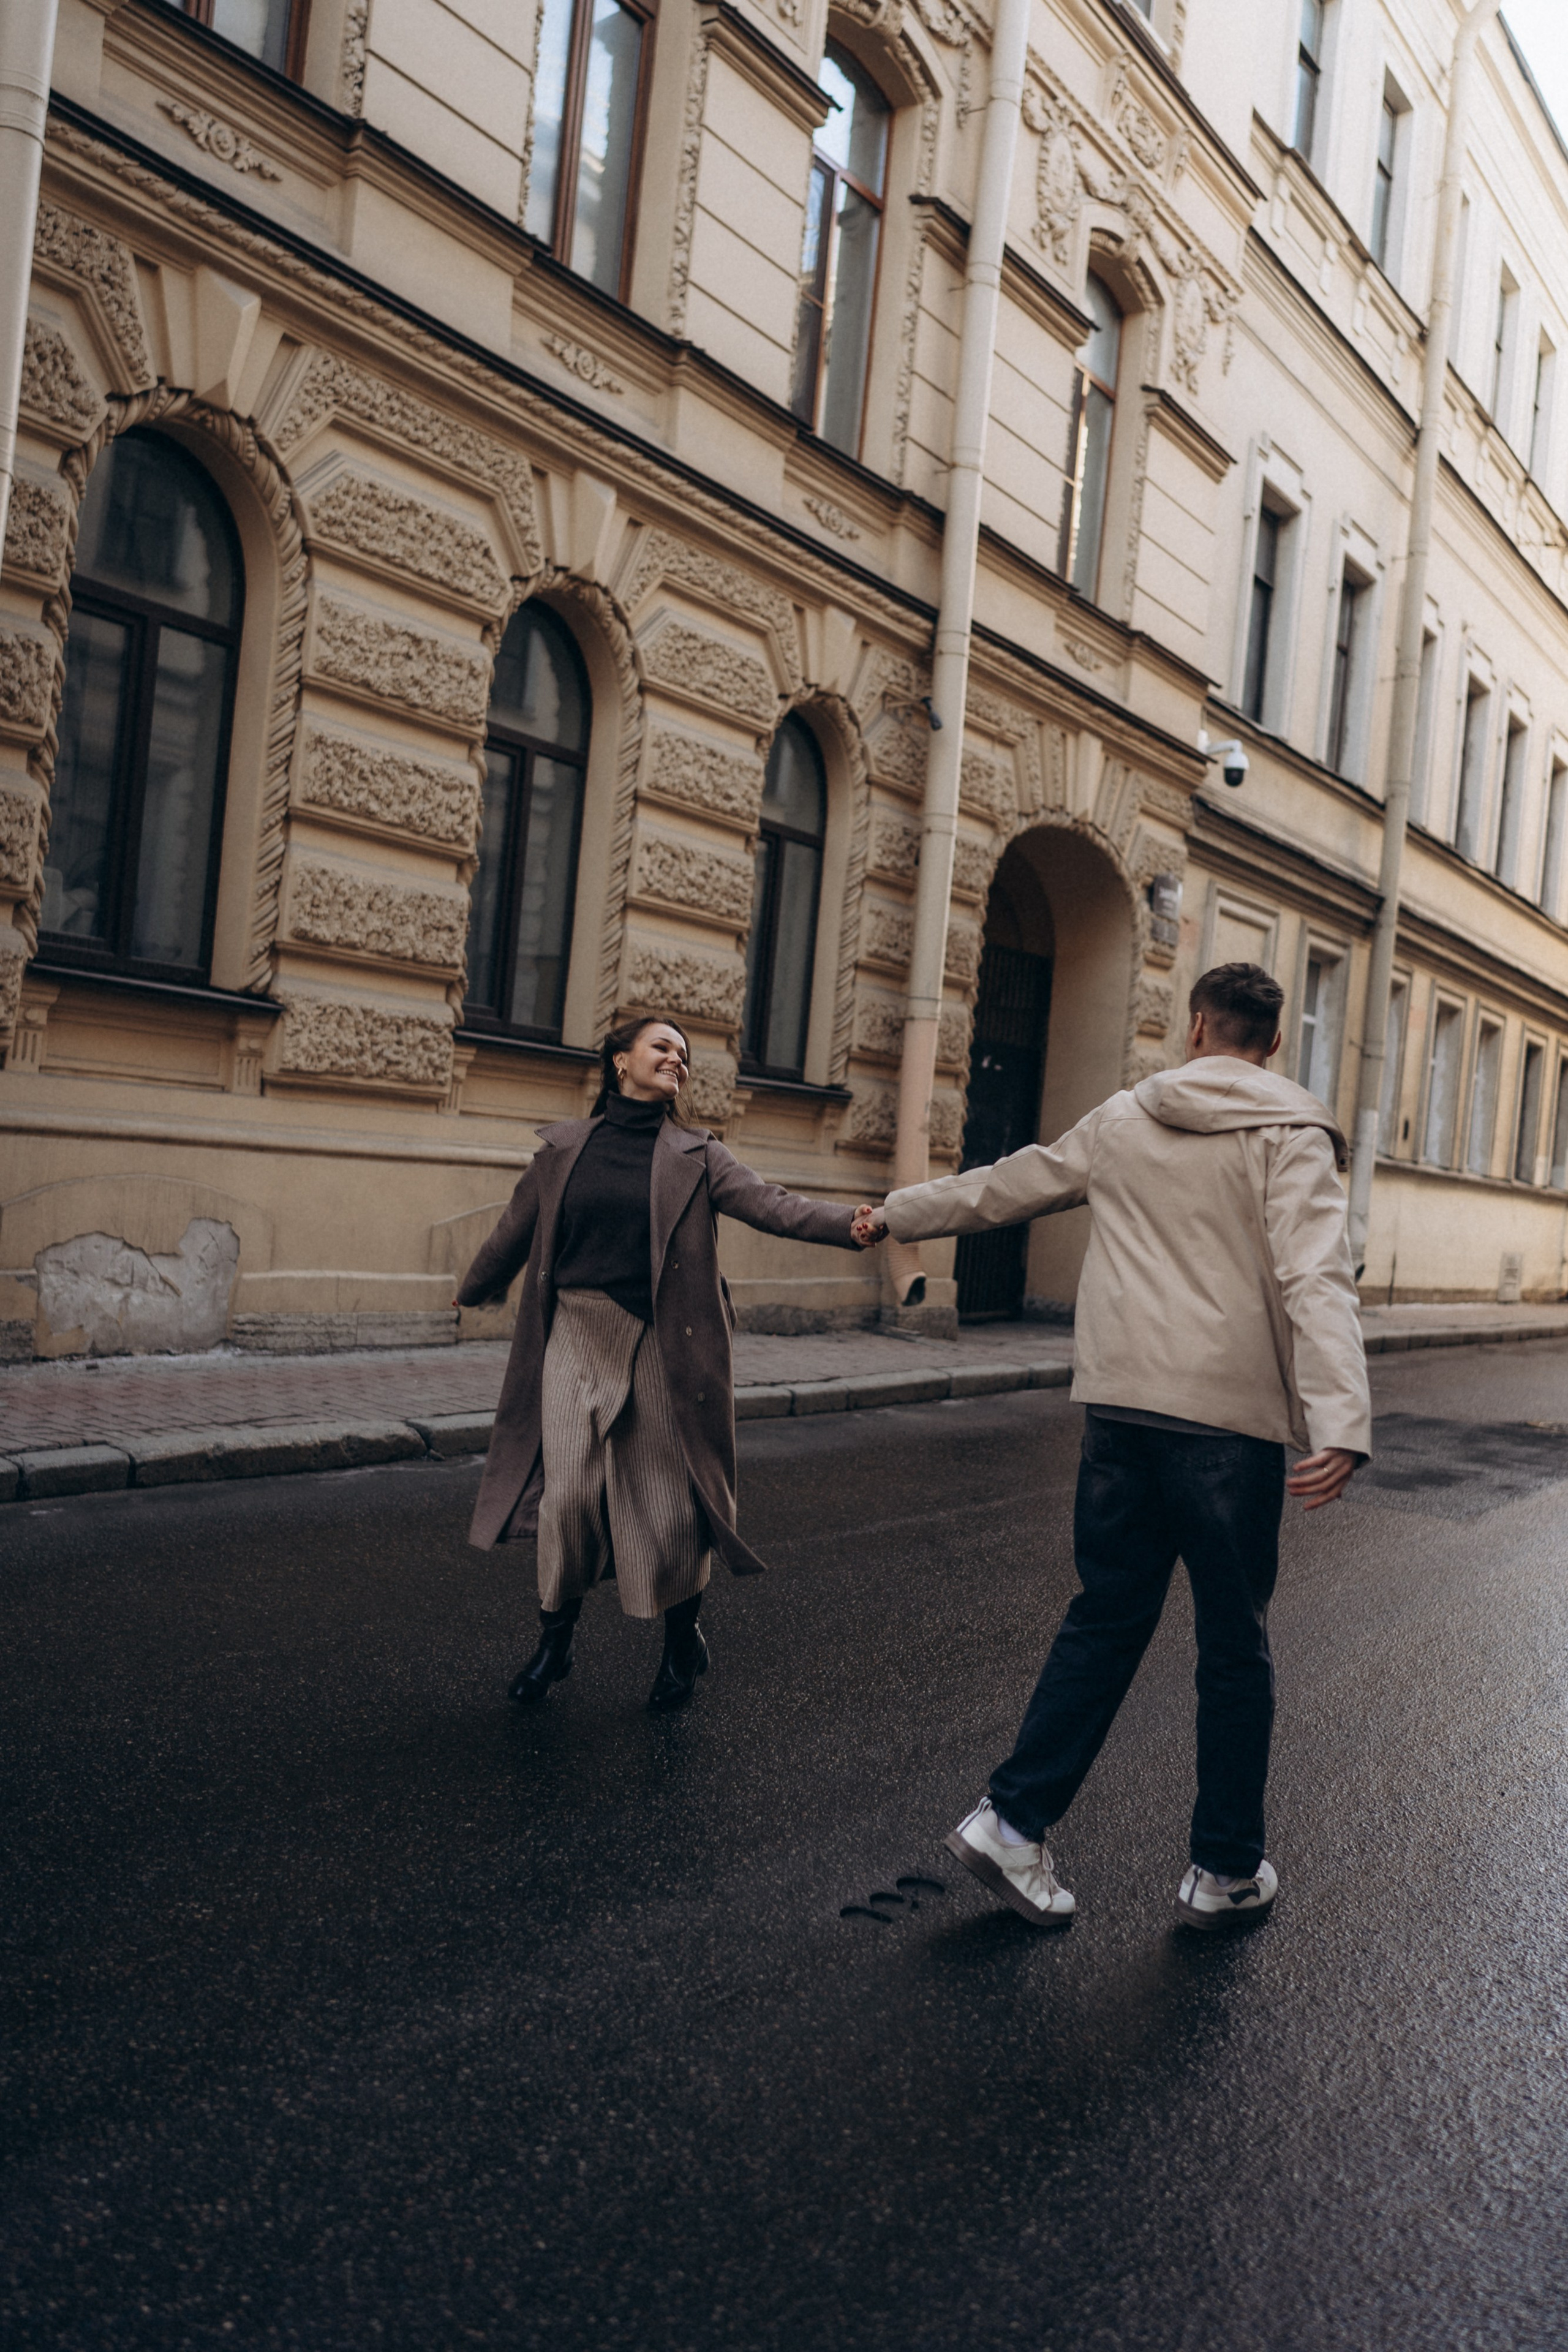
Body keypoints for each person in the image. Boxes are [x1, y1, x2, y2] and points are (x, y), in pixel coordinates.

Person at [853, 962, 1371, 1931]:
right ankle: (1224, 1871)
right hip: (1227, 1428)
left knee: (1104, 1621)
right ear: (1271, 1043)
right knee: (1234, 1648)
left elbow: (1008, 1186)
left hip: (1123, 1413)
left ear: (1195, 1027)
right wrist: (1340, 1419)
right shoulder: (1292, 1134)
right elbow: (1317, 1278)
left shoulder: (1129, 1116)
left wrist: (896, 1214)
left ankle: (1012, 1823)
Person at [457, 1014, 881, 1712]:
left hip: (660, 1344)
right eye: (662, 1047)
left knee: (668, 1507)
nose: (676, 1060)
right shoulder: (563, 1149)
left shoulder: (699, 1154)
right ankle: (555, 1643)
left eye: (683, 1055)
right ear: (619, 1061)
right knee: (567, 1500)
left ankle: (682, 1645)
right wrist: (473, 1288)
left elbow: (771, 1205)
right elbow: (515, 1228)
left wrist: (850, 1225)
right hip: (574, 1336)